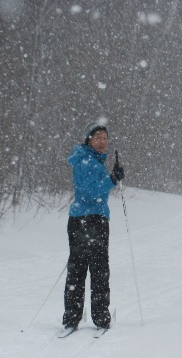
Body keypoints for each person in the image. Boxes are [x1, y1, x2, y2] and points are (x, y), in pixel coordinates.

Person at [62, 122, 124, 332]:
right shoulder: (87, 161)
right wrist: (112, 179)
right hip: (91, 220)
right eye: (98, 137)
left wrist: (111, 178)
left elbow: (96, 190)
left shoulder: (90, 160)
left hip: (83, 219)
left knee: (78, 269)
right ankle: (98, 317)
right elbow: (92, 192)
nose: (102, 141)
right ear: (89, 139)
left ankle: (73, 317)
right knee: (96, 269)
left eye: (105, 138)